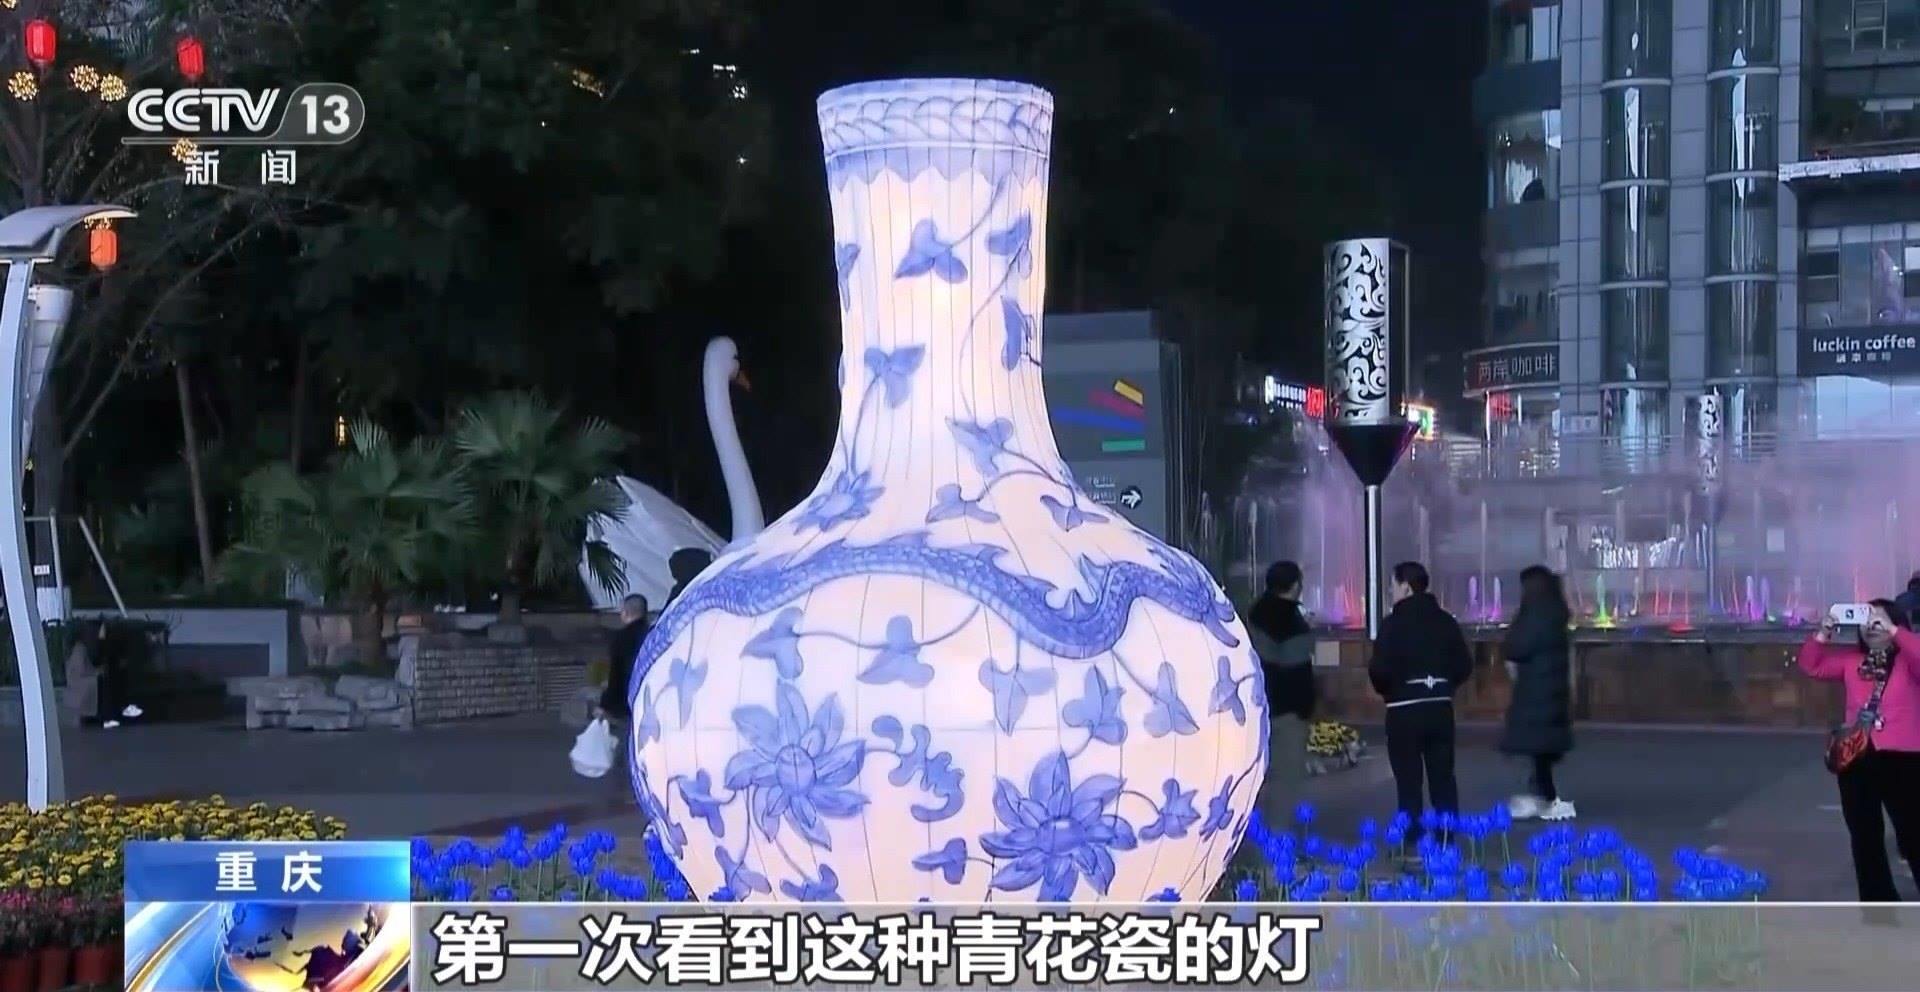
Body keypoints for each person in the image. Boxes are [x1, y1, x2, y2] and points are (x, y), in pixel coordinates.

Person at [1796, 599, 1920, 903]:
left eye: (1879, 620)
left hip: (1902, 757)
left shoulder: (1908, 661)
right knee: (1865, 837)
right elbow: (1811, 665)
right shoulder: (1852, 661)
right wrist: (1823, 633)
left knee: (1913, 832)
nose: (1872, 626)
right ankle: (1879, 905)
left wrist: (1895, 632)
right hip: (1857, 757)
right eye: (1867, 620)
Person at [1370, 561, 1474, 841]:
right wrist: (1443, 685)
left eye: (1393, 586)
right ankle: (1446, 837)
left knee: (1408, 781)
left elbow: (1379, 670)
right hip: (1439, 707)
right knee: (1443, 778)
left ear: (1405, 587)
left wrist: (1391, 691)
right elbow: (1464, 664)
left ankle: (1411, 838)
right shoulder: (1445, 622)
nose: (1391, 592)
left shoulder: (1392, 625)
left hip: (1402, 711)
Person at [1500, 565, 1576, 821]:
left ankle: (1545, 798)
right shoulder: (1556, 612)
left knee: (1537, 745)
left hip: (1537, 691)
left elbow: (1516, 645)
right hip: (1550, 691)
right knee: (1541, 749)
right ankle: (1543, 795)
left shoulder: (1535, 614)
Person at [1247, 560, 1316, 827]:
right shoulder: (1292, 624)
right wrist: (1305, 708)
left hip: (1256, 708)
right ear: (1295, 586)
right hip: (1288, 712)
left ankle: (1253, 834)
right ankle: (1279, 840)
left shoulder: (1253, 616)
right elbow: (1297, 674)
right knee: (1287, 780)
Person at [598, 594, 651, 723]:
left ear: (625, 613)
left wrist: (605, 705)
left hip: (626, 704)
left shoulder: (621, 639)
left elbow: (616, 675)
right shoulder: (654, 635)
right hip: (651, 699)